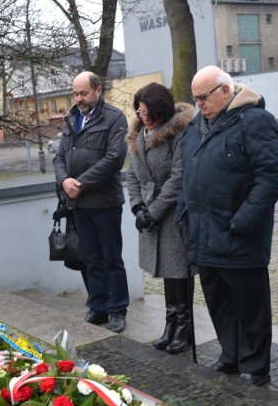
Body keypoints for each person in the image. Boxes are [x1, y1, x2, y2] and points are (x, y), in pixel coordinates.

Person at [175, 66, 278, 385]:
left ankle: (255, 365)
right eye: (195, 99)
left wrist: (243, 222)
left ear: (225, 90)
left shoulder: (255, 121)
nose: (199, 105)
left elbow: (269, 178)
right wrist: (183, 214)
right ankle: (230, 355)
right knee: (219, 301)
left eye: (204, 97)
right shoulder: (195, 127)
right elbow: (186, 176)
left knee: (250, 306)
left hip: (239, 236)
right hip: (202, 234)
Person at [53, 71, 129, 333]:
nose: (79, 98)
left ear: (98, 90)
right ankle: (99, 306)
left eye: (83, 93)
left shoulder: (114, 118)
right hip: (78, 204)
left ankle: (118, 309)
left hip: (105, 202)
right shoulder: (72, 118)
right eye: (75, 93)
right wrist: (65, 181)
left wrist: (80, 183)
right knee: (90, 259)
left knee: (111, 259)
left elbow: (114, 159)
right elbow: (59, 157)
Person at [126, 83, 195, 353]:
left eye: (147, 113)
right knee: (168, 275)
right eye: (140, 112)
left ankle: (184, 328)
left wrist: (152, 211)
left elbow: (178, 178)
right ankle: (170, 325)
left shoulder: (179, 132)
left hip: (172, 214)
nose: (143, 117)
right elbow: (132, 175)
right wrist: (137, 208)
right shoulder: (139, 134)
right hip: (150, 212)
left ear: (161, 110)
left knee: (179, 272)